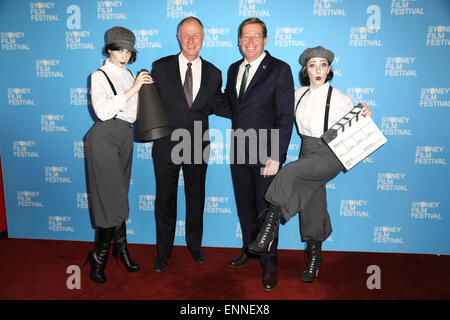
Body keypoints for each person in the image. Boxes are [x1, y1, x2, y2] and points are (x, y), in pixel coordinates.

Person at [247, 46, 373, 283]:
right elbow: (274, 108)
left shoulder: (340, 97)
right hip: (307, 149)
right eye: (313, 65)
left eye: (323, 65)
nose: (318, 70)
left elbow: (357, 126)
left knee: (289, 172)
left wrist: (366, 113)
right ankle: (315, 257)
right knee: (313, 202)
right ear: (306, 69)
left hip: (330, 153)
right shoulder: (297, 94)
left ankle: (268, 230)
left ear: (329, 69)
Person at [150, 17, 231, 272]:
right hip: (166, 144)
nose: (191, 40)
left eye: (196, 35)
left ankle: (194, 247)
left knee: (196, 198)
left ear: (204, 37)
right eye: (186, 35)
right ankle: (163, 252)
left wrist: (255, 107)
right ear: (178, 37)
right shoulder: (160, 68)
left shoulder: (214, 73)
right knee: (165, 199)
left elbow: (220, 105)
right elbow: (148, 104)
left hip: (197, 143)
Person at [224, 18, 294, 291]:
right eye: (245, 36)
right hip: (239, 151)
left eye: (256, 36)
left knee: (266, 213)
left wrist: (277, 156)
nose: (250, 42)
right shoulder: (233, 69)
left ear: (265, 40)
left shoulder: (279, 69)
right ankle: (249, 251)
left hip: (267, 155)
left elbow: (285, 116)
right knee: (245, 209)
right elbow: (232, 106)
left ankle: (269, 264)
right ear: (239, 40)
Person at [84, 26, 153, 284]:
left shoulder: (130, 74)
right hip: (104, 136)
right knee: (110, 200)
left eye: (128, 50)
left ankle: (120, 249)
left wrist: (143, 87)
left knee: (119, 196)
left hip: (125, 136)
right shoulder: (99, 75)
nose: (123, 55)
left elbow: (135, 111)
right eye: (118, 49)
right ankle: (100, 255)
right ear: (109, 49)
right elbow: (102, 112)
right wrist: (133, 89)